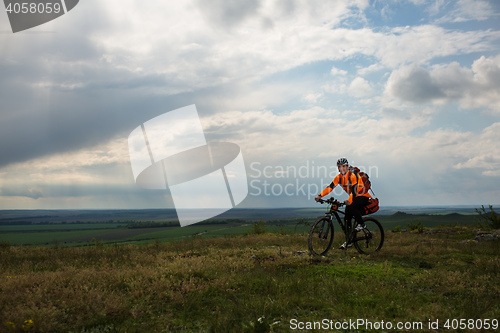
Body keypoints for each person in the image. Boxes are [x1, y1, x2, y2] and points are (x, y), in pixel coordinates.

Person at [315, 157, 371, 249]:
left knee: (352, 207)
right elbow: (330, 187)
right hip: (354, 197)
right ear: (338, 168)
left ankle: (362, 224)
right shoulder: (338, 178)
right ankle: (348, 241)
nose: (342, 168)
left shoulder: (352, 176)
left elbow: (354, 191)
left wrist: (349, 201)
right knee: (346, 218)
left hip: (362, 196)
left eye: (344, 166)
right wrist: (320, 195)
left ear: (347, 166)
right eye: (340, 166)